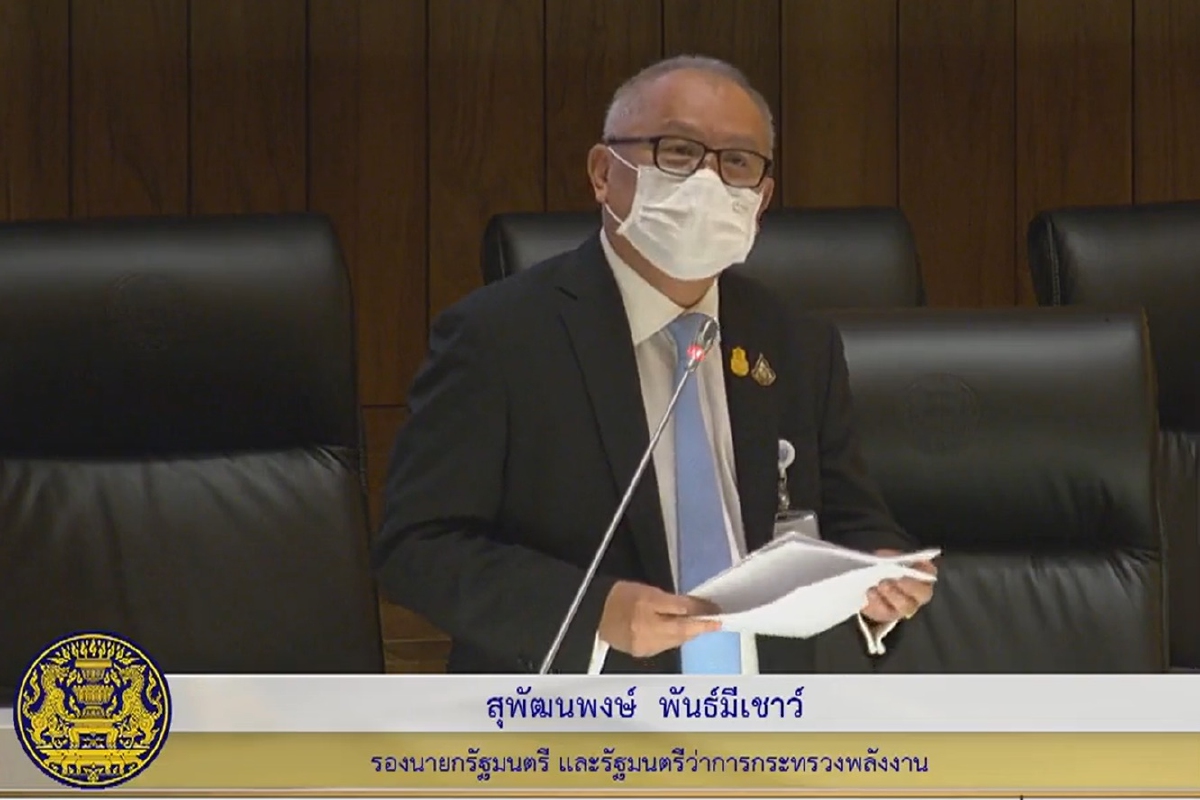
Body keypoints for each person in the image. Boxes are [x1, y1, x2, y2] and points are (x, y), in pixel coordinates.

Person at [374, 55, 936, 675]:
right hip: (575, 712)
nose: (708, 181)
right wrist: (592, 612)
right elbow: (417, 549)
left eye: (737, 162)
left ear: (762, 200)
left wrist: (885, 578)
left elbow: (855, 522)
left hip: (773, 713)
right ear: (602, 172)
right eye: (678, 151)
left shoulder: (797, 342)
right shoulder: (498, 337)